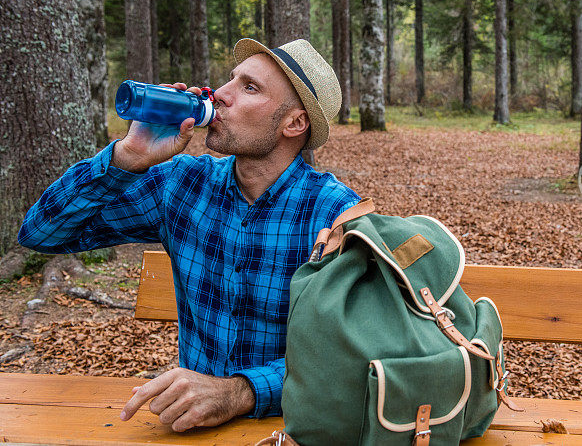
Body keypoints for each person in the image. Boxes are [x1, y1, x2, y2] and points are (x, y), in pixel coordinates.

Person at [18, 38, 360, 432]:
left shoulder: (334, 215)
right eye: (229, 80)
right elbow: (41, 233)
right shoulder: (180, 184)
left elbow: (348, 355)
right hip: (191, 429)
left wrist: (239, 392)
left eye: (249, 87)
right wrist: (126, 157)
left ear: (294, 123)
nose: (219, 94)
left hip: (295, 427)